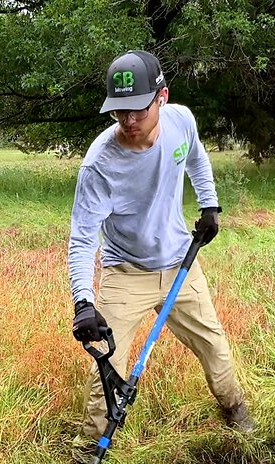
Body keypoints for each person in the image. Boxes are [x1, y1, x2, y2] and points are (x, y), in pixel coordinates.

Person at [67, 49, 253, 442]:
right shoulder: (99, 165)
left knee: (214, 347)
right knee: (108, 367)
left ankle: (235, 408)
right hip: (125, 272)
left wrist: (210, 205)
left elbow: (197, 161)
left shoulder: (181, 121)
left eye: (139, 109)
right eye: (120, 111)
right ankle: (89, 451)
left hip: (179, 265)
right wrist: (83, 302)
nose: (129, 120)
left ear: (161, 98)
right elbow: (83, 238)